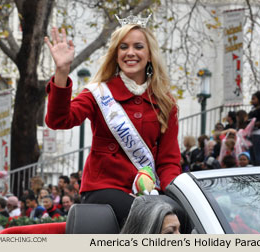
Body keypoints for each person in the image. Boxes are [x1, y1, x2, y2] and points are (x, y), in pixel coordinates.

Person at [44, 16, 181, 227]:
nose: (130, 53)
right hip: (104, 189)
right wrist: (62, 72)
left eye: (138, 46)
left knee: (181, 216)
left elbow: (168, 161)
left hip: (149, 191)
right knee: (151, 219)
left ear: (150, 54)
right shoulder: (99, 93)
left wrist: (174, 193)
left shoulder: (164, 101)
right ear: (116, 55)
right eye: (123, 47)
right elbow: (59, 120)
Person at [248, 91, 260, 166]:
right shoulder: (252, 109)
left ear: (259, 99)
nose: (252, 101)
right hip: (252, 133)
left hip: (258, 133)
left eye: (254, 99)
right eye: (252, 99)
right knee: (252, 154)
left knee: (257, 153)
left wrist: (253, 123)